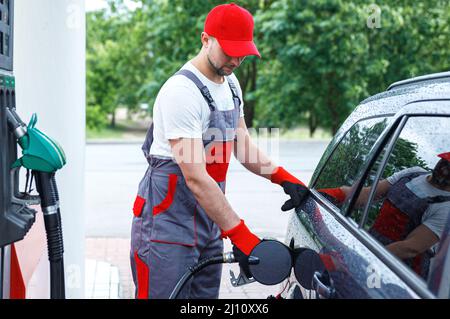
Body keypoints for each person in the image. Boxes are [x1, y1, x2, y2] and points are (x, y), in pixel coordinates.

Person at [130, 3, 308, 299]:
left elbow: (243, 146)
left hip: (209, 227)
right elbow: (197, 179)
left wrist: (285, 179)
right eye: (229, 51)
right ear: (205, 39)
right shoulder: (181, 93)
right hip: (165, 232)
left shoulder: (231, 85)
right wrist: (242, 236)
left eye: (243, 52)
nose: (236, 60)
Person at [319, 153, 450, 278]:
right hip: (373, 249)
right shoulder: (413, 174)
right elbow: (365, 195)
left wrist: (357, 260)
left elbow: (410, 248)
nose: (445, 170)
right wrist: (324, 195)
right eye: (446, 162)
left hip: (399, 275)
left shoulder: (446, 207)